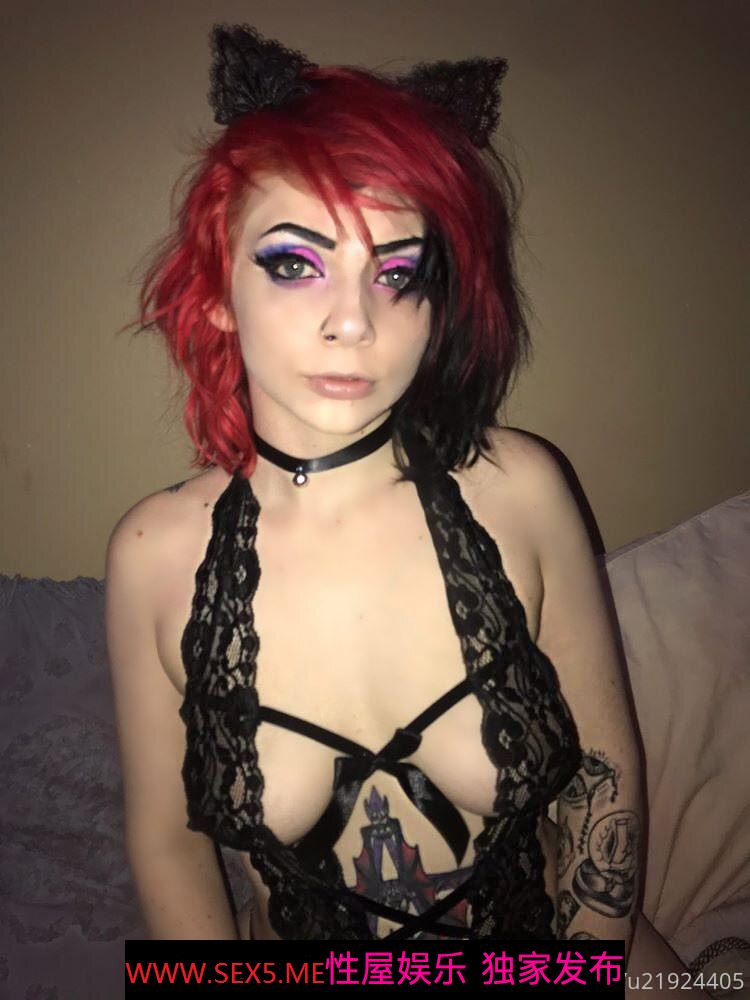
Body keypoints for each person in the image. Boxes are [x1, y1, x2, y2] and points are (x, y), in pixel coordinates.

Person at [104, 22, 683, 974]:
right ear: (214, 291)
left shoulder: (524, 489)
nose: (354, 320)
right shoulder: (153, 556)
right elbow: (169, 847)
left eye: (397, 273)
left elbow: (602, 784)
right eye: (296, 263)